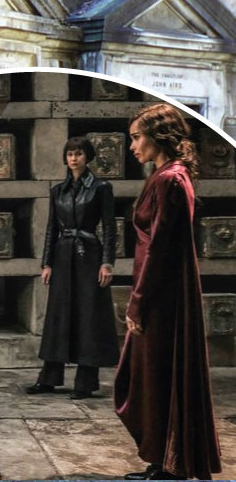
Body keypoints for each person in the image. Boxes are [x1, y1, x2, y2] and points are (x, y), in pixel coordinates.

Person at [115, 103, 221, 480]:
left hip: (162, 296)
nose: (132, 146)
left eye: (137, 137)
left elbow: (160, 248)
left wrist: (139, 303)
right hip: (157, 289)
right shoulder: (163, 175)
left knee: (156, 374)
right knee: (149, 374)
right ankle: (163, 459)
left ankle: (172, 465)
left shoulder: (170, 180)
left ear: (159, 136)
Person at [27, 136, 119, 399]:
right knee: (58, 315)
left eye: (78, 154)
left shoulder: (101, 188)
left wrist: (107, 262)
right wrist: (46, 263)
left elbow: (110, 228)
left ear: (87, 157)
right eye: (69, 154)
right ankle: (49, 379)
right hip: (63, 255)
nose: (74, 158)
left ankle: (85, 383)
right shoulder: (58, 191)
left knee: (88, 316)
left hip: (89, 255)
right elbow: (51, 229)